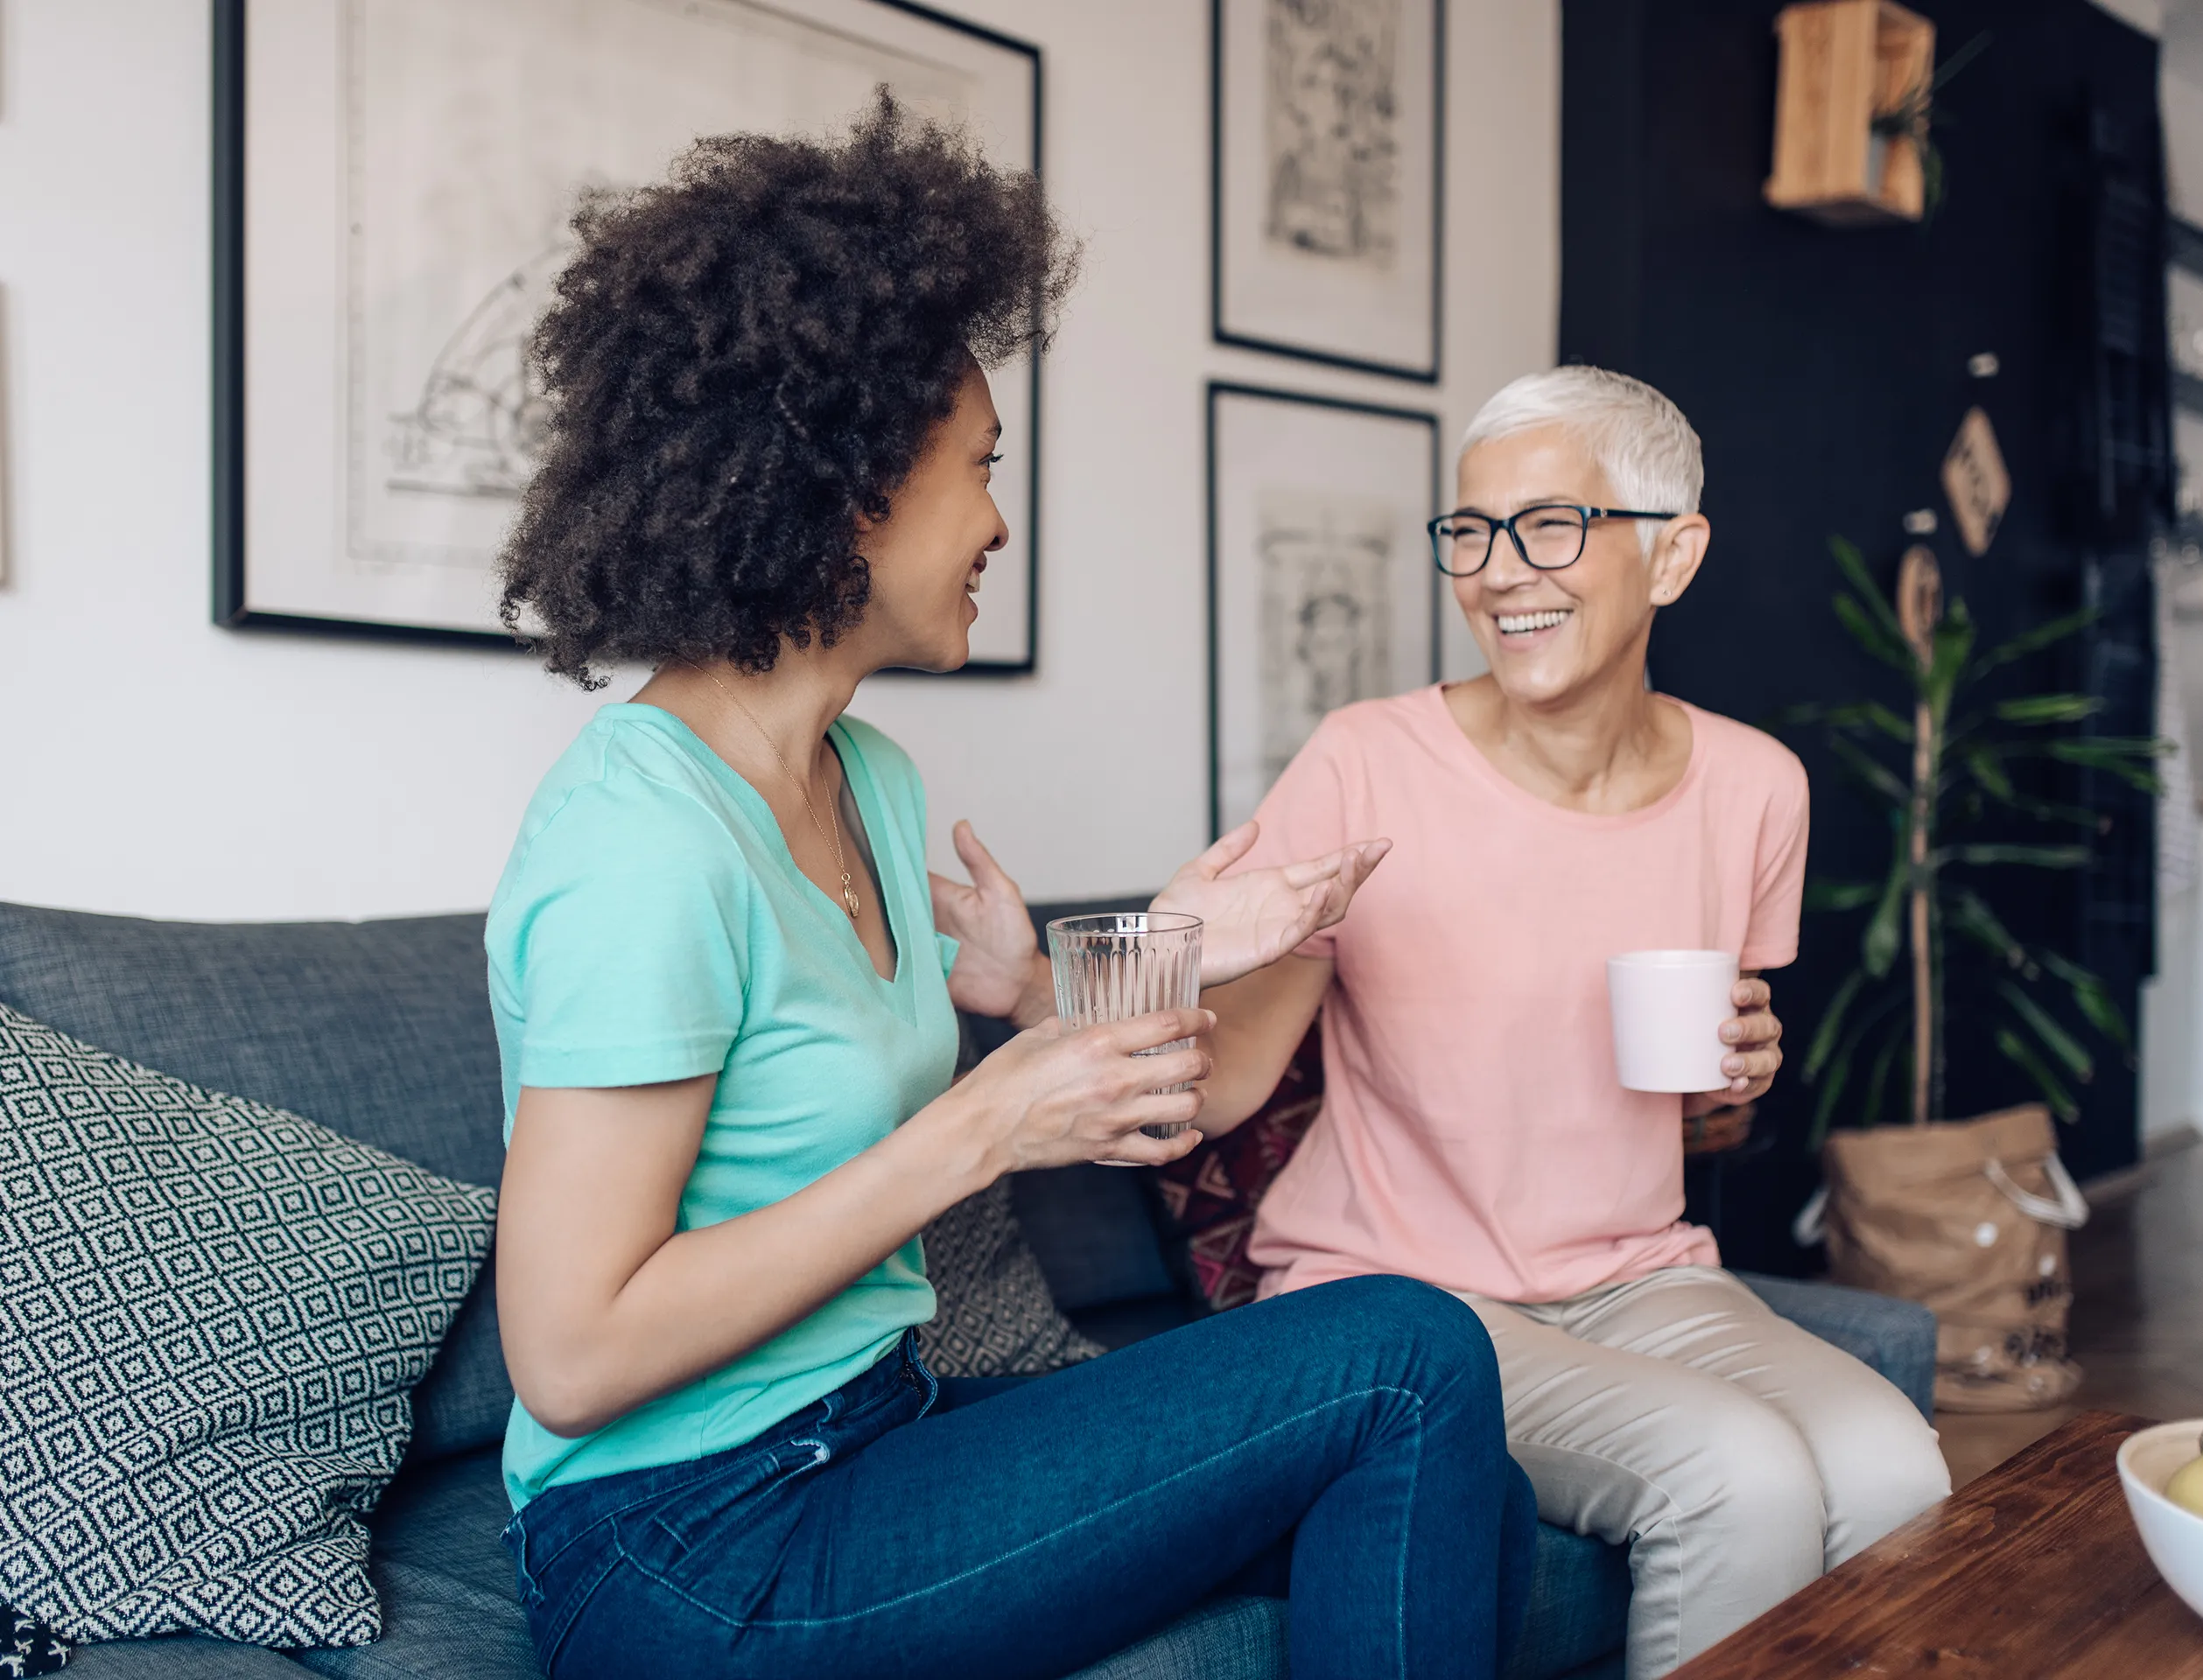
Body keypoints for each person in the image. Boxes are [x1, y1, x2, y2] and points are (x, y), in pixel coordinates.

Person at [484, 98, 1533, 1680]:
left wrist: (1192, 947)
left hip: (870, 1433)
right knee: (1407, 1354)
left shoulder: (869, 775)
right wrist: (981, 1127)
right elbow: (569, 1355)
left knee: (1473, 1482)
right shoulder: (640, 845)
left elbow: (944, 1045)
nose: (995, 518)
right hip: (687, 1549)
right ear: (843, 486)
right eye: (976, 467)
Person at [1194, 368, 1953, 1679]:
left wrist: (1738, 1082)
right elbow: (1225, 1085)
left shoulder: (1756, 788)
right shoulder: (1367, 761)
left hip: (1641, 1276)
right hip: (1402, 1294)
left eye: (1550, 526)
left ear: (1673, 555)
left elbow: (1705, 1111)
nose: (1498, 572)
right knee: (1741, 1475)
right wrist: (1088, 984)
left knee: (1899, 1467)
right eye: (1472, 532)